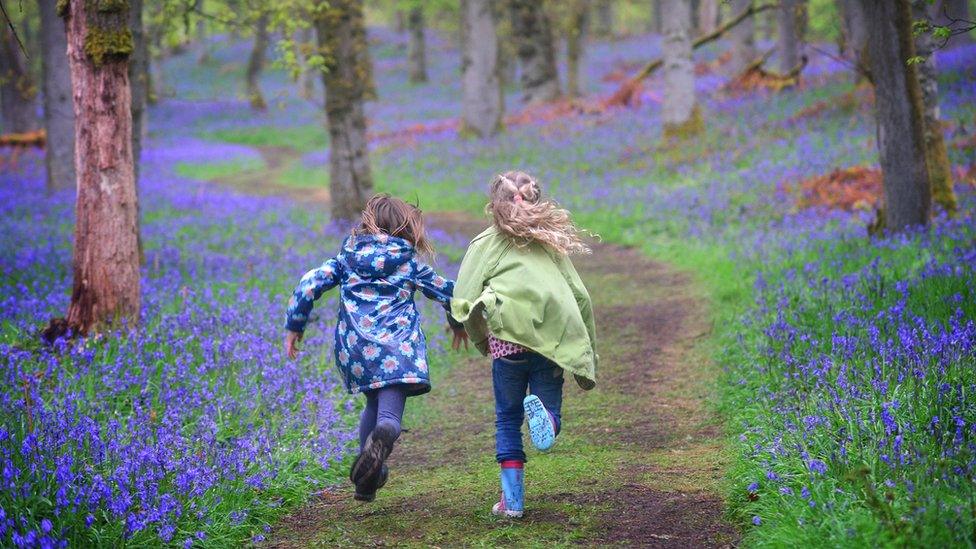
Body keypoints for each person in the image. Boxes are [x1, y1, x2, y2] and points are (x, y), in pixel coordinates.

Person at [283, 194, 467, 502]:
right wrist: (458, 323)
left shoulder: (347, 258)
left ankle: (367, 480)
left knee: (372, 403)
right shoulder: (409, 263)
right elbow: (450, 292)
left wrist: (294, 325)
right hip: (398, 350)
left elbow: (308, 284)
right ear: (405, 228)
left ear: (368, 223)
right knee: (388, 418)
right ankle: (383, 437)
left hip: (356, 351)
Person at [451, 171, 598, 518]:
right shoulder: (550, 244)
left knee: (507, 419)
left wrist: (480, 338)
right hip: (551, 340)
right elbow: (581, 296)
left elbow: (464, 299)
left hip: (508, 341)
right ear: (537, 202)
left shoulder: (484, 244)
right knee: (549, 404)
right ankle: (547, 421)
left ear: (493, 204)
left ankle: (512, 503)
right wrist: (586, 353)